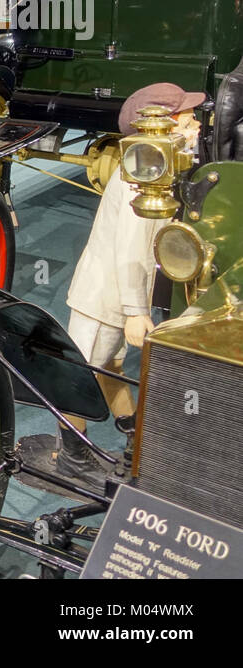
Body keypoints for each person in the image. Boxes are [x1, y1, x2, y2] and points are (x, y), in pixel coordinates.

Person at [53, 82, 205, 482]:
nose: (196, 125)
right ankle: (73, 454)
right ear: (162, 126)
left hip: (115, 292)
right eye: (188, 118)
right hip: (105, 296)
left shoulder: (152, 166)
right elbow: (131, 249)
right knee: (81, 374)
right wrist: (135, 313)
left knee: (110, 367)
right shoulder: (141, 177)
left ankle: (135, 441)